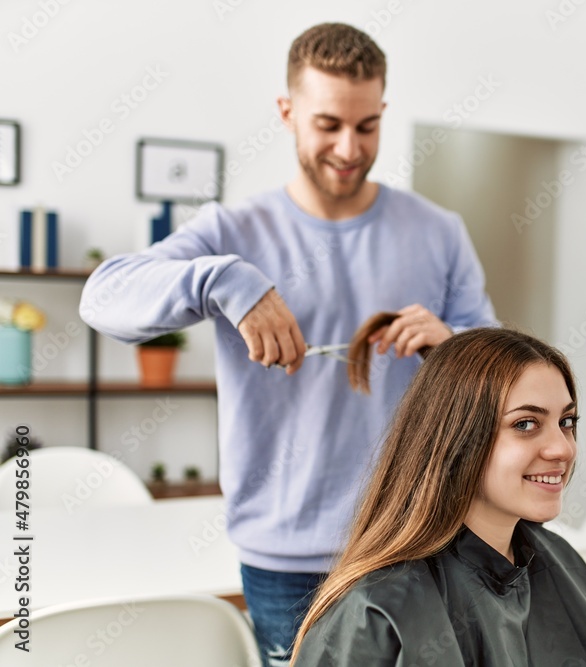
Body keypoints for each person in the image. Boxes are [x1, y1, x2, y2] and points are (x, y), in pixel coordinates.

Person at [79, 22, 496, 666]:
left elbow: (500, 369)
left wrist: (454, 344)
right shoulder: (232, 231)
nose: (348, 148)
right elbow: (102, 298)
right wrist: (222, 278)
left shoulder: (439, 231)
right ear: (287, 111)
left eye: (366, 126)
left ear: (383, 111)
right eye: (328, 124)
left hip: (415, 538)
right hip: (285, 562)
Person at [291, 328, 586, 666]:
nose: (562, 449)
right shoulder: (379, 611)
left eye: (566, 422)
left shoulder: (558, 560)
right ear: (457, 439)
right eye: (525, 424)